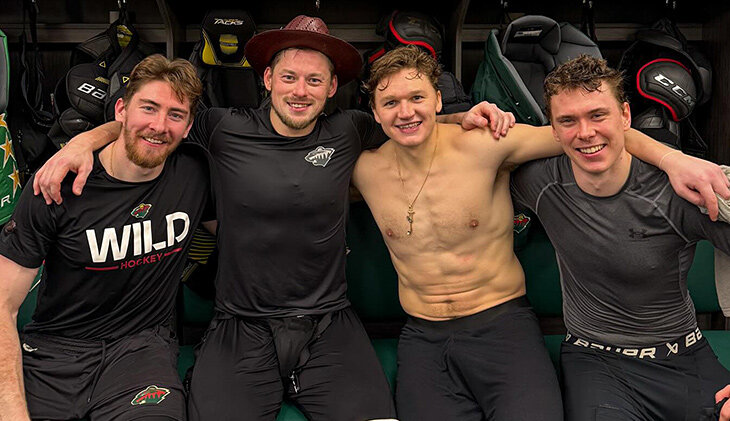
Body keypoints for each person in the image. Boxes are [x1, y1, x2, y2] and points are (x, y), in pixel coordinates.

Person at [29, 15, 520, 421]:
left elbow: (408, 121)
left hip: (329, 323)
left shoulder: (351, 129)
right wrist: (82, 142)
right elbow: (155, 121)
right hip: (239, 325)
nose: (300, 91)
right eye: (289, 77)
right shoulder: (222, 127)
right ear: (267, 80)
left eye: (314, 80)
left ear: (332, 88)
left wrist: (460, 117)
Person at [352, 45, 730, 420]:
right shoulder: (363, 169)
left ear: (437, 99)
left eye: (417, 97)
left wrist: (673, 158)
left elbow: (588, 135)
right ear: (375, 111)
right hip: (424, 334)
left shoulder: (487, 145)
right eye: (391, 102)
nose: (406, 111)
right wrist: (455, 116)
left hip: (501, 324)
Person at [510, 54, 730, 421]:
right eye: (568, 120)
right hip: (596, 361)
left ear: (625, 116)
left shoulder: (677, 189)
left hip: (683, 356)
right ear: (553, 130)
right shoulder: (540, 182)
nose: (585, 133)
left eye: (598, 115)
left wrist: (674, 160)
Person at [0, 55, 212, 421]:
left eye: (175, 115)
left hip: (141, 350)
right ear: (121, 110)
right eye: (149, 108)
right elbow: (3, 305)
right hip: (56, 354)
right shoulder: (56, 183)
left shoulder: (195, 172)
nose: (159, 125)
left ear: (188, 126)